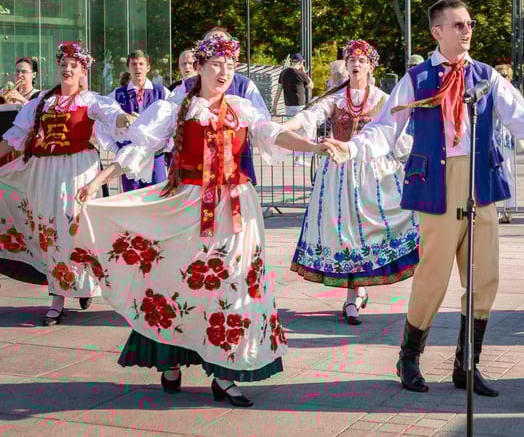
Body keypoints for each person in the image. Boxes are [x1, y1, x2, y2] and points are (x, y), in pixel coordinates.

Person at [324, 0, 524, 397]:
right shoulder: (418, 78)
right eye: (458, 25)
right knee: (432, 277)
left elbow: (520, 115)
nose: (467, 30)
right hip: (438, 182)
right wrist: (351, 148)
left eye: (469, 24)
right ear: (437, 32)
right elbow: (386, 128)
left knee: (484, 277)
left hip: (480, 182)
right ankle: (409, 358)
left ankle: (467, 364)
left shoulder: (485, 76)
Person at [74, 34, 332, 407]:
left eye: (230, 66)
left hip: (236, 210)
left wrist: (315, 146)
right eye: (216, 65)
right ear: (200, 67)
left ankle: (225, 374)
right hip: (189, 205)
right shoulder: (177, 108)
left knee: (234, 285)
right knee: (175, 280)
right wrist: (95, 182)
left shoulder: (242, 108)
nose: (224, 72)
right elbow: (139, 149)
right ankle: (170, 357)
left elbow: (274, 134)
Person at [281, 40, 419, 325]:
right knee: (345, 233)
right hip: (338, 172)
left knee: (369, 231)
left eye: (362, 61)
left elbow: (398, 135)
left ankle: (359, 290)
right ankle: (351, 296)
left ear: (371, 67)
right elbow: (309, 117)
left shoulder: (382, 99)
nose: (356, 64)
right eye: (352, 60)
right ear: (346, 65)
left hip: (372, 173)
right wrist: (281, 129)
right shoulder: (335, 98)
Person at [0, 42, 130, 325]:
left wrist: (123, 118)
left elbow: (111, 114)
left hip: (77, 170)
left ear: (83, 71)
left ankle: (81, 286)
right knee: (48, 230)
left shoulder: (90, 100)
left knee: (75, 230)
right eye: (63, 65)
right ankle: (58, 296)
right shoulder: (41, 103)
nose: (68, 69)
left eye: (74, 65)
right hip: (44, 171)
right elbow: (15, 136)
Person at [175, 27, 270, 185]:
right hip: (195, 176)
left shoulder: (244, 84)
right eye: (213, 43)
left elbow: (263, 121)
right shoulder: (186, 87)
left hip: (237, 166)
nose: (218, 47)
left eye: (222, 42)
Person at [105, 50, 171, 192]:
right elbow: (104, 122)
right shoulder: (117, 94)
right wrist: (117, 149)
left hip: (155, 155)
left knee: (157, 195)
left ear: (148, 68)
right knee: (131, 197)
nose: (137, 68)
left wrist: (165, 147)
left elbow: (173, 122)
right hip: (129, 155)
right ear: (128, 68)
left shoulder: (162, 92)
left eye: (141, 64)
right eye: (134, 64)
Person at [494, 63, 517, 224]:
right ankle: (492, 210)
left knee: (507, 173)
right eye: (498, 75)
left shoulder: (512, 92)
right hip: (490, 137)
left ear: (509, 78)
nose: (501, 78)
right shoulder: (490, 90)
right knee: (491, 174)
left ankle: (510, 209)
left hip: (505, 138)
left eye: (504, 75)